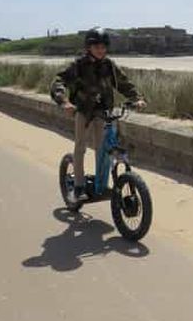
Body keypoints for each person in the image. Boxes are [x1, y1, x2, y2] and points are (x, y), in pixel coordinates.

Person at [50, 28, 146, 203]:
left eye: (103, 47)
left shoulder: (109, 65)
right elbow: (59, 81)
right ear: (89, 47)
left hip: (104, 112)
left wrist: (136, 98)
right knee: (80, 147)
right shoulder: (79, 65)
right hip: (84, 111)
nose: (101, 50)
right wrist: (64, 102)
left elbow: (124, 83)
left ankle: (100, 185)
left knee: (103, 149)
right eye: (97, 47)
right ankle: (79, 186)